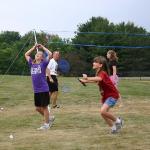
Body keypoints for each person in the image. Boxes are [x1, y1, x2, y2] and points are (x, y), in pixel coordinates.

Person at [79, 56, 123, 133]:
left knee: (103, 111)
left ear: (100, 65)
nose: (93, 63)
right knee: (103, 114)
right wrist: (86, 81)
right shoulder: (99, 73)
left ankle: (118, 121)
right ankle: (114, 128)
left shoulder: (102, 73)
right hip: (106, 96)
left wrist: (87, 78)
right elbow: (97, 81)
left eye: (95, 62)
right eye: (94, 61)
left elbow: (99, 79)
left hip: (112, 95)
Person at [25, 44, 54, 130]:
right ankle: (49, 118)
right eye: (36, 55)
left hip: (43, 89)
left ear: (42, 58)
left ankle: (46, 124)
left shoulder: (44, 63)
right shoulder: (32, 63)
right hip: (36, 90)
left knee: (44, 107)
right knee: (38, 108)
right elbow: (26, 54)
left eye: (39, 55)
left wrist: (43, 47)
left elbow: (50, 54)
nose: (37, 56)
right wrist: (33, 48)